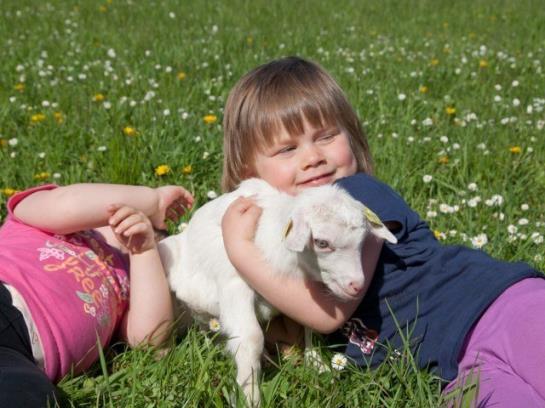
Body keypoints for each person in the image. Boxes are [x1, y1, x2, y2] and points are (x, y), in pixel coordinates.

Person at [219, 56, 545, 406]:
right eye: (287, 149)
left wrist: (241, 251)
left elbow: (326, 315)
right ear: (248, 173)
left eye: (327, 136)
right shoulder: (287, 250)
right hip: (458, 374)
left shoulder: (352, 197)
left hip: (497, 310)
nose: (313, 157)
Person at [0, 182, 193, 407]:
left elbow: (150, 340)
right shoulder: (33, 218)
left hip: (20, 359)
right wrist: (153, 201)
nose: (132, 224)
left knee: (27, 396)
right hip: (5, 296)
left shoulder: (125, 284)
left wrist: (144, 252)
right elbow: (67, 205)